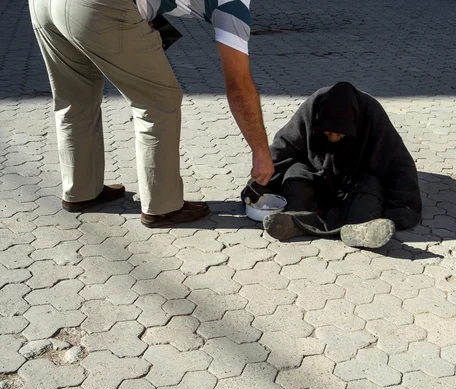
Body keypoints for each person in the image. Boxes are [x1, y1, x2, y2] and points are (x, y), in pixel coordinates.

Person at [29, 0, 273, 228]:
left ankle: (81, 191)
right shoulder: (233, 5)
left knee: (74, 99)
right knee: (159, 101)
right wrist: (261, 153)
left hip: (43, 7)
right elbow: (239, 87)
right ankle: (163, 207)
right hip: (97, 7)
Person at [243, 82, 422, 248]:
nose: (334, 139)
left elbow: (398, 163)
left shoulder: (371, 114)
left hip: (356, 178)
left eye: (341, 135)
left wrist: (401, 210)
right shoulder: (313, 109)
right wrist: (257, 187)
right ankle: (346, 229)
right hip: (317, 173)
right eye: (328, 133)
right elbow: (283, 147)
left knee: (366, 203)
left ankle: (306, 225)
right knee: (295, 184)